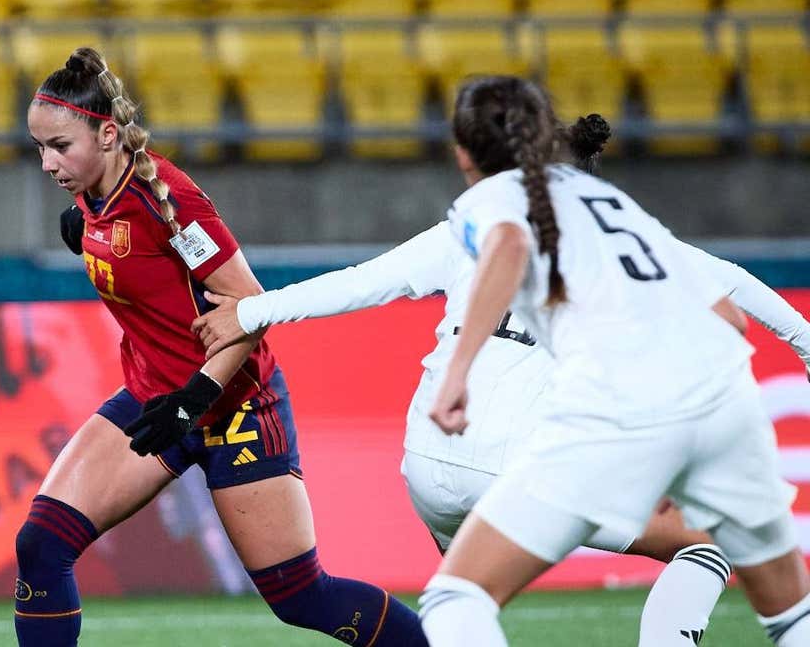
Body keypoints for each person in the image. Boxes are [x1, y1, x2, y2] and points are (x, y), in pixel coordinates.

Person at [191, 114, 810, 646]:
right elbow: (738, 285)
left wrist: (250, 311)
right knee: (706, 541)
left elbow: (359, 283)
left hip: (426, 463)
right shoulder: (626, 243)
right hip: (515, 465)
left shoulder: (472, 227)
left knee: (465, 600)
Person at [14, 47, 429, 647]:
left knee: (301, 597)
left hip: (235, 408)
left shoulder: (168, 202)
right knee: (42, 544)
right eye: (39, 148)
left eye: (59, 146)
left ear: (108, 135)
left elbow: (249, 309)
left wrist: (194, 400)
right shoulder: (94, 191)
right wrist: (88, 232)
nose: (48, 163)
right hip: (156, 401)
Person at [395, 74, 809, 646]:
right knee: (783, 607)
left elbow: (505, 253)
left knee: (457, 594)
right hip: (713, 413)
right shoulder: (623, 223)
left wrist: (459, 371)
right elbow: (730, 307)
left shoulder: (493, 218)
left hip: (579, 435)